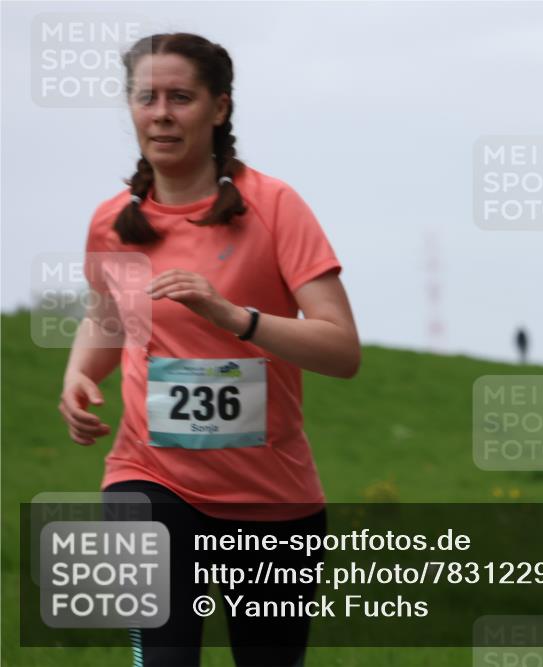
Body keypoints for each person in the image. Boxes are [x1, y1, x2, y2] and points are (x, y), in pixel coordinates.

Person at [57, 33, 360, 667]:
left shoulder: (275, 207)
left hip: (273, 502)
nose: (161, 112)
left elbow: (341, 350)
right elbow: (108, 317)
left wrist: (235, 318)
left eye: (181, 97)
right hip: (149, 482)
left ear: (219, 108)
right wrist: (80, 375)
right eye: (147, 97)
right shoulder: (113, 221)